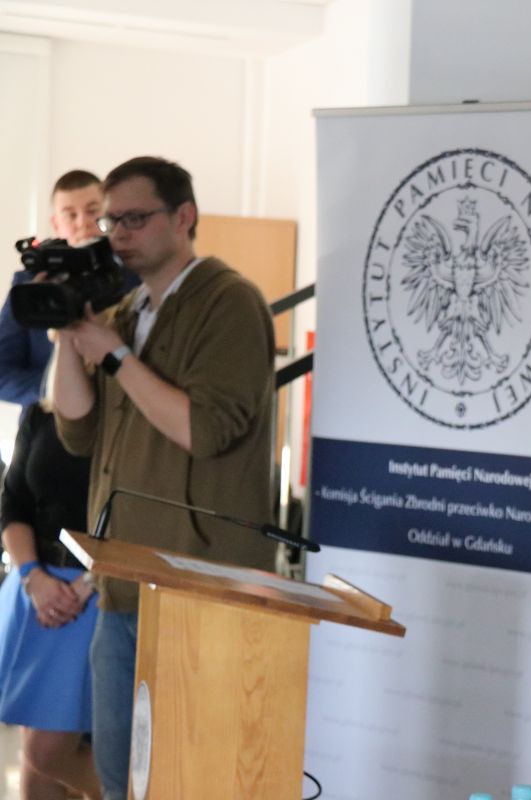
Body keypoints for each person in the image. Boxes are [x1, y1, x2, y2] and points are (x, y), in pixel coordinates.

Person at [52, 156, 276, 800]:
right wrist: (70, 334)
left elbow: (205, 430)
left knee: (190, 780)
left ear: (184, 217)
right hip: (122, 584)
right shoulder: (127, 311)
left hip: (198, 591)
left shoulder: (229, 302)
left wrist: (116, 356)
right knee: (121, 781)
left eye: (134, 218)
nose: (117, 234)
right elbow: (76, 432)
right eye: (110, 221)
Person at [0, 371, 102, 799]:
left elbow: (145, 518)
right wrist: (32, 576)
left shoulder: (131, 419)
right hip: (34, 587)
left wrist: (92, 582)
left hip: (93, 594)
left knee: (46, 752)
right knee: (35, 760)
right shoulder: (40, 411)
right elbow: (13, 502)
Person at [0, 170, 137, 408]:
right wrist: (58, 389)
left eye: (92, 211)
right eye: (70, 215)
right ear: (56, 224)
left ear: (108, 216)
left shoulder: (135, 277)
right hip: (48, 421)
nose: (82, 223)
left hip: (122, 416)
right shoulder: (31, 284)